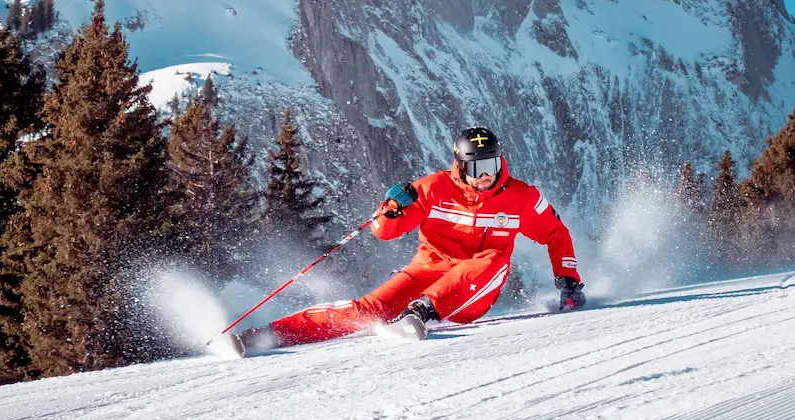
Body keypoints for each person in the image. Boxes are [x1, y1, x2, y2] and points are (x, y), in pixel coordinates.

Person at [225, 126, 585, 355]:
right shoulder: (432, 188)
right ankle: (267, 335)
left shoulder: (521, 196)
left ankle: (422, 312)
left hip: (474, 290)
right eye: (476, 169)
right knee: (368, 311)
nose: (484, 178)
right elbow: (384, 232)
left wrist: (567, 279)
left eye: (491, 166)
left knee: (492, 259)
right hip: (426, 271)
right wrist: (392, 209)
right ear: (460, 165)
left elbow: (556, 233)